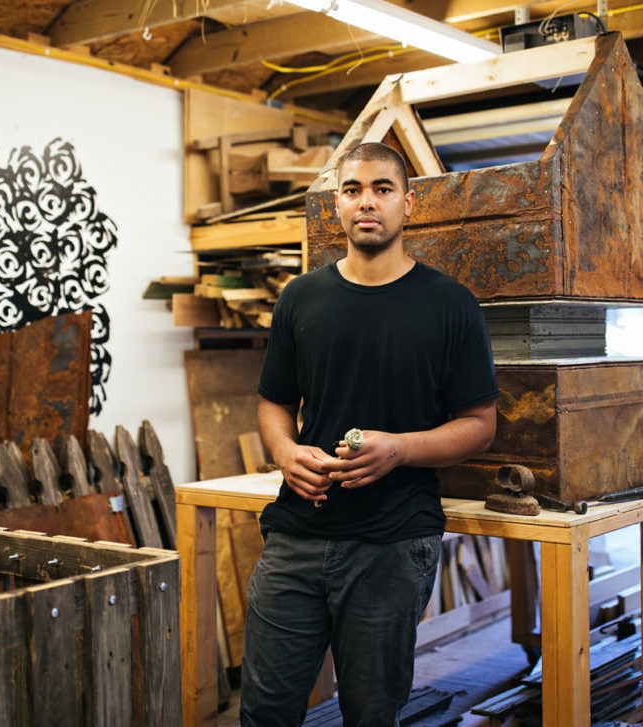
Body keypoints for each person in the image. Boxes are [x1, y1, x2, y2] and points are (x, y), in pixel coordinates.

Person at [240, 142, 499, 726]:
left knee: (371, 715)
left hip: (392, 544)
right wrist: (284, 450)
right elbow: (273, 402)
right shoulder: (301, 299)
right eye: (353, 189)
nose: (367, 202)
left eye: (382, 189)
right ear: (337, 204)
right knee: (264, 713)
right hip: (296, 536)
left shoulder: (450, 305)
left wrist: (401, 448)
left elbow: (481, 426)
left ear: (408, 204)